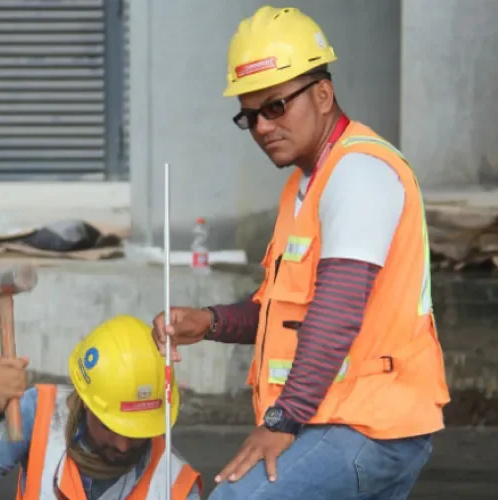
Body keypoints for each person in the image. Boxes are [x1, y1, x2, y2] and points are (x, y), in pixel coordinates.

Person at [151, 6, 451, 500]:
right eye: (249, 116)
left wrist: (281, 420)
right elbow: (280, 312)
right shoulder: (305, 184)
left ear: (323, 94)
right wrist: (208, 323)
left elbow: (334, 314)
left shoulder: (358, 173)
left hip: (369, 425)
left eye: (275, 107)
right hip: (336, 416)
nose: (263, 127)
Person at [0, 314, 203, 500]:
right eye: (110, 426)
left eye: (136, 430)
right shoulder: (41, 414)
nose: (122, 445)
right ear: (85, 401)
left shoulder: (175, 486)